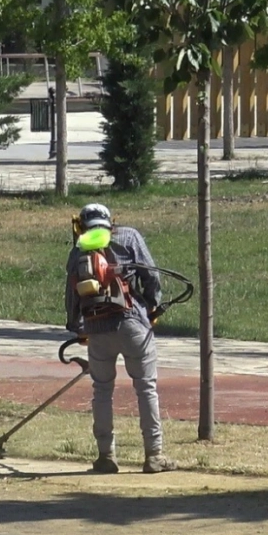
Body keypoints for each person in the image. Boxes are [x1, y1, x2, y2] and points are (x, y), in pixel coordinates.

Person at [65, 203, 177, 474]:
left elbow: (72, 296)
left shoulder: (78, 249)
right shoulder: (128, 237)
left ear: (81, 225)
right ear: (110, 222)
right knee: (145, 387)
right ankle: (154, 455)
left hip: (96, 328)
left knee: (102, 390)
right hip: (133, 324)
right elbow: (151, 276)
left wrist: (78, 327)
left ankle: (106, 456)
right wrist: (151, 306)